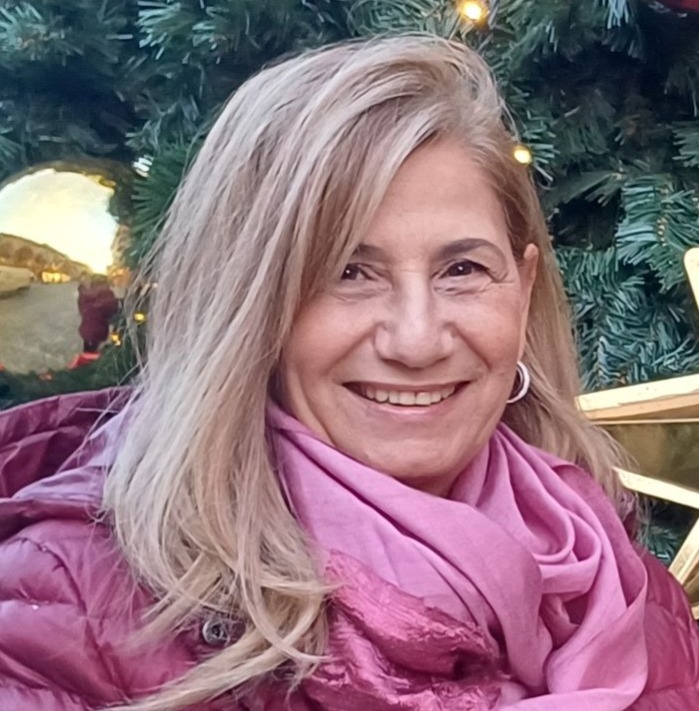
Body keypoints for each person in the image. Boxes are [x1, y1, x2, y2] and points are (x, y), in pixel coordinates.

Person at [0, 36, 697, 711]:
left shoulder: (616, 576)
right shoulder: (71, 608)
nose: (417, 340)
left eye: (462, 269)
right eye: (348, 272)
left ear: (522, 287)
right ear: (243, 304)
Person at [77, 273, 120, 353]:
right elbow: (112, 307)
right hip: (99, 330)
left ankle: (86, 357)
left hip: (86, 328)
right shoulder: (106, 293)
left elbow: (82, 308)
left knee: (88, 349)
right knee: (94, 349)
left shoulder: (86, 294)